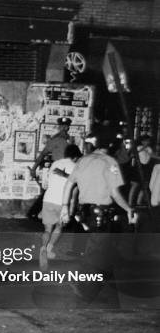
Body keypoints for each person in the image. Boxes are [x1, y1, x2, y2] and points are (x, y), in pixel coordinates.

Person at [60, 130, 136, 303]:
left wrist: (65, 207)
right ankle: (84, 288)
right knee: (97, 252)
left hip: (84, 213)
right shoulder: (110, 162)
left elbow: (69, 185)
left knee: (99, 250)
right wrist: (129, 208)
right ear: (110, 146)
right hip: (100, 214)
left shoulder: (83, 160)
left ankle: (89, 283)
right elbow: (115, 193)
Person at [39, 144, 82, 269]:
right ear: (75, 157)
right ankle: (49, 248)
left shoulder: (55, 163)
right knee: (59, 227)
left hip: (48, 199)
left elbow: (48, 180)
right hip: (62, 202)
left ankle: (43, 247)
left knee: (47, 229)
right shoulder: (75, 167)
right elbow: (76, 184)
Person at [28, 116, 72, 220]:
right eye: (62, 126)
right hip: (58, 168)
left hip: (67, 168)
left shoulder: (69, 140)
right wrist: (34, 168)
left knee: (60, 191)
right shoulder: (55, 140)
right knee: (53, 190)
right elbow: (42, 154)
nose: (64, 128)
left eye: (66, 126)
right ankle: (34, 212)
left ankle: (37, 212)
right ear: (59, 127)